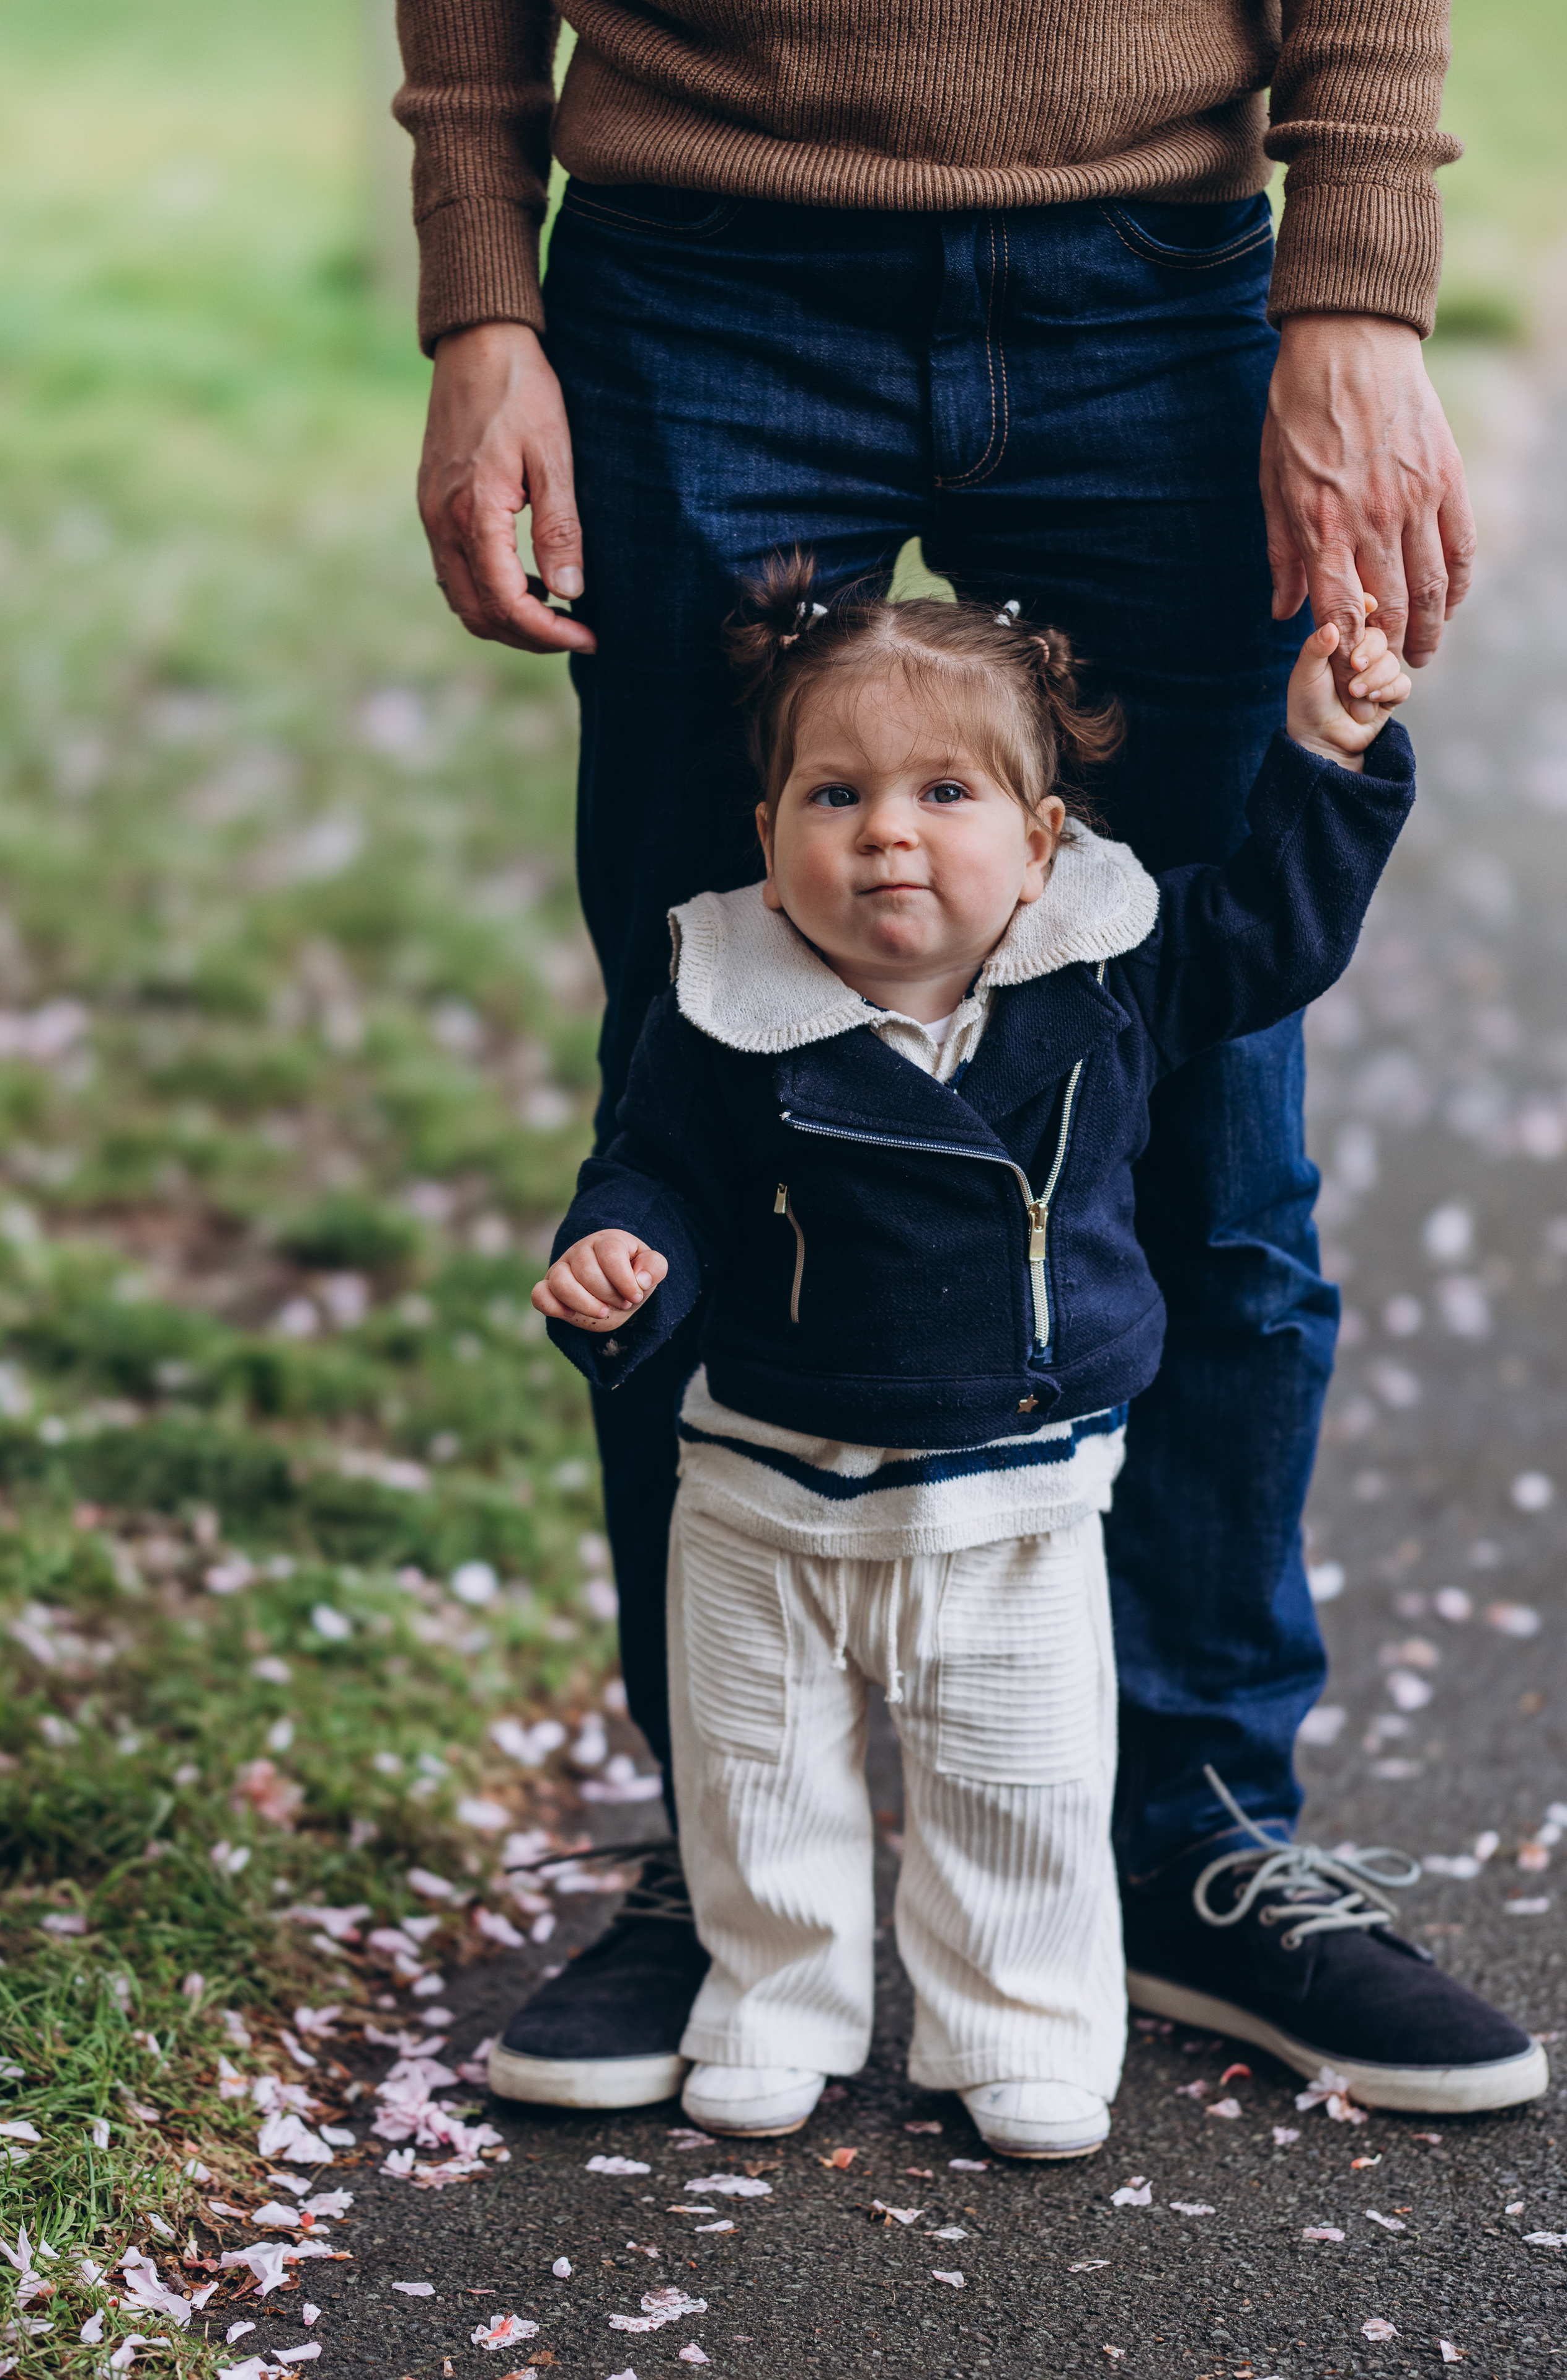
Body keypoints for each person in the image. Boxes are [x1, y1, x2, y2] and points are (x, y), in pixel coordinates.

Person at [395, 0, 1543, 2119]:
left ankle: (1193, 1840)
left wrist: (1356, 274)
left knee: (1207, 1129)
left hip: (1153, 279)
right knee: (705, 1108)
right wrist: (484, 283)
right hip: (694, 276)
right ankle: (736, 1871)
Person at [527, 556, 1461, 2157]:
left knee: (1017, 1784)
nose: (886, 829)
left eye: (943, 790)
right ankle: (772, 2002)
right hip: (765, 1485)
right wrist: (626, 1255)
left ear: (1037, 848)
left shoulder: (1103, 983)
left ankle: (1020, 2026)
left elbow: (1266, 935)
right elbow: (653, 1165)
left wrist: (1327, 759)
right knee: (761, 1780)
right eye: (835, 793)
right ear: (767, 842)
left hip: (1011, 1494)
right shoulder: (725, 1004)